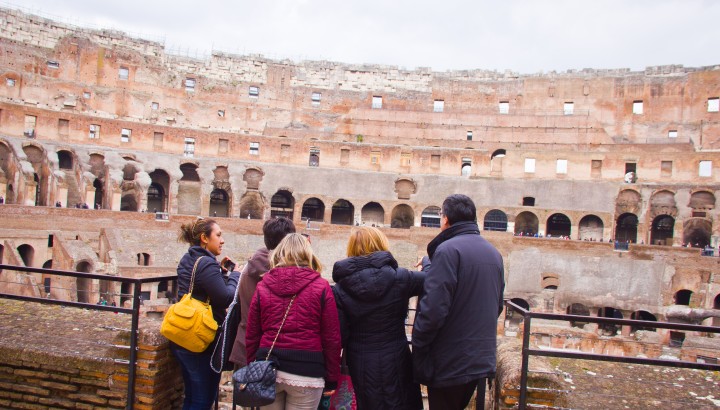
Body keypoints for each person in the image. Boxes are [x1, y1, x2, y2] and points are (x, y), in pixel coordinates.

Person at [412, 194, 505, 410]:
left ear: (445, 219)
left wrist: (420, 344)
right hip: (479, 356)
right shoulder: (494, 253)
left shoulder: (447, 251)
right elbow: (498, 304)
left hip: (449, 358)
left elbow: (433, 309)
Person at [332, 226, 425, 409]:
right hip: (397, 355)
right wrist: (427, 262)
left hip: (360, 360)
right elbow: (434, 280)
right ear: (381, 244)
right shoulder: (402, 278)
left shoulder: (340, 289)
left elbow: (341, 334)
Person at [245, 233, 341, 410]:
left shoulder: (263, 285)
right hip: (307, 369)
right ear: (307, 253)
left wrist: (253, 367)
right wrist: (332, 377)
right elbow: (331, 337)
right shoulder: (321, 286)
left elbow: (252, 334)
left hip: (268, 367)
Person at [171, 218, 240, 410]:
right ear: (204, 238)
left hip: (183, 332)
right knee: (203, 399)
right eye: (218, 235)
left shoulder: (189, 258)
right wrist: (235, 276)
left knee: (192, 396)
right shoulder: (206, 264)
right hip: (200, 338)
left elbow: (202, 288)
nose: (222, 240)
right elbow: (225, 297)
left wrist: (220, 272)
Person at [229, 216, 296, 367]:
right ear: (289, 241)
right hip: (270, 350)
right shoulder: (281, 274)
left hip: (245, 346)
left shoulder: (250, 266)